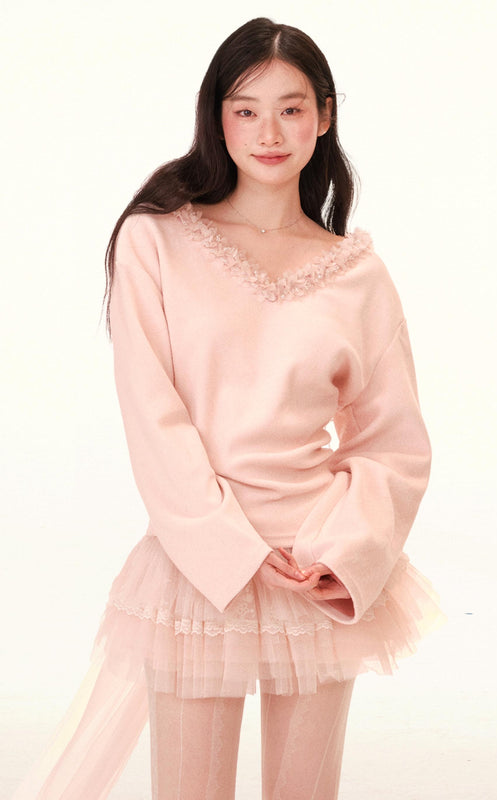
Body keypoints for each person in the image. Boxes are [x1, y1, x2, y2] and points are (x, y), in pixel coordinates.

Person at [11, 17, 446, 800]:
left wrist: (344, 552)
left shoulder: (357, 273)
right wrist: (230, 549)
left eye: (290, 109)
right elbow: (153, 415)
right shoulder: (156, 240)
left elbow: (394, 442)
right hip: (198, 561)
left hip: (317, 566)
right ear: (216, 117)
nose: (268, 133)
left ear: (324, 115)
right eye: (245, 110)